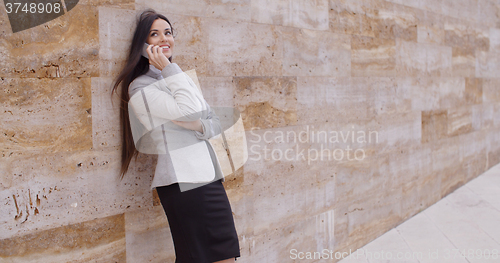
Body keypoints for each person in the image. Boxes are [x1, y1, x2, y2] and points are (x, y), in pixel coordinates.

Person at [111, 9, 240, 263]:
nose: (164, 39)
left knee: (224, 257)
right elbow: (192, 110)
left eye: (168, 33)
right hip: (183, 183)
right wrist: (169, 69)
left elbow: (212, 121)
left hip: (208, 177)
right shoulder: (140, 87)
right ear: (143, 44)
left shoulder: (179, 78)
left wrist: (196, 125)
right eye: (154, 34)